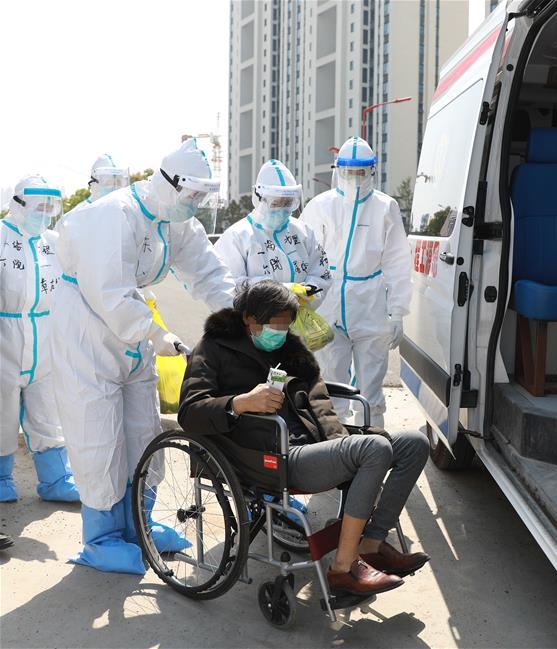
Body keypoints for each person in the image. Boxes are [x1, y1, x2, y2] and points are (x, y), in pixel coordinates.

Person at [50, 139, 236, 574]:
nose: (196, 203)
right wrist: (156, 333)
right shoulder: (114, 215)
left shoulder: (176, 222)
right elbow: (107, 291)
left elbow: (207, 274)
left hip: (131, 327)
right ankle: (101, 539)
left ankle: (140, 523)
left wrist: (243, 315)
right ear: (167, 183)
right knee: (97, 431)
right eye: (191, 194)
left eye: (201, 196)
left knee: (143, 426)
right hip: (87, 325)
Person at [178, 281, 430, 596]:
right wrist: (241, 403)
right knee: (374, 448)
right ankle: (342, 568)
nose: (281, 331)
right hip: (265, 454)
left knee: (413, 444)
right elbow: (190, 412)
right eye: (276, 324)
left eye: (286, 324)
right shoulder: (213, 349)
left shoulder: (289, 349)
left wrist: (337, 443)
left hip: (311, 442)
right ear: (249, 319)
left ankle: (371, 544)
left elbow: (320, 401)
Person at [302, 137, 411, 428]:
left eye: (360, 172)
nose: (354, 178)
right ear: (338, 170)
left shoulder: (385, 207)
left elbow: (398, 261)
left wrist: (397, 312)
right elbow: (305, 256)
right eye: (348, 171)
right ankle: (336, 453)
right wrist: (304, 305)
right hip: (329, 299)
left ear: (372, 172)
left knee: (371, 390)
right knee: (331, 386)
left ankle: (373, 446)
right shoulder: (321, 205)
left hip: (370, 302)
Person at [0, 176, 80, 503]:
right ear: (18, 204)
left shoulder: (54, 241)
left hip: (45, 339)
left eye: (50, 207)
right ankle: (2, 477)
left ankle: (56, 478)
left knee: (48, 411)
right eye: (39, 207)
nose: (45, 213)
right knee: (1, 412)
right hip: (6, 337)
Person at [213, 159, 331, 304]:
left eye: (287, 203)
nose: (282, 209)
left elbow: (321, 273)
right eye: (275, 203)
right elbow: (230, 284)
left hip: (299, 319)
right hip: (255, 322)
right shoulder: (237, 236)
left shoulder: (303, 232)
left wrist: (308, 292)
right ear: (259, 199)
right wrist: (282, 292)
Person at [56, 155, 130, 226]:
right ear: (94, 184)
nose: (115, 188)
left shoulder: (130, 216)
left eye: (119, 183)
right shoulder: (73, 219)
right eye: (109, 182)